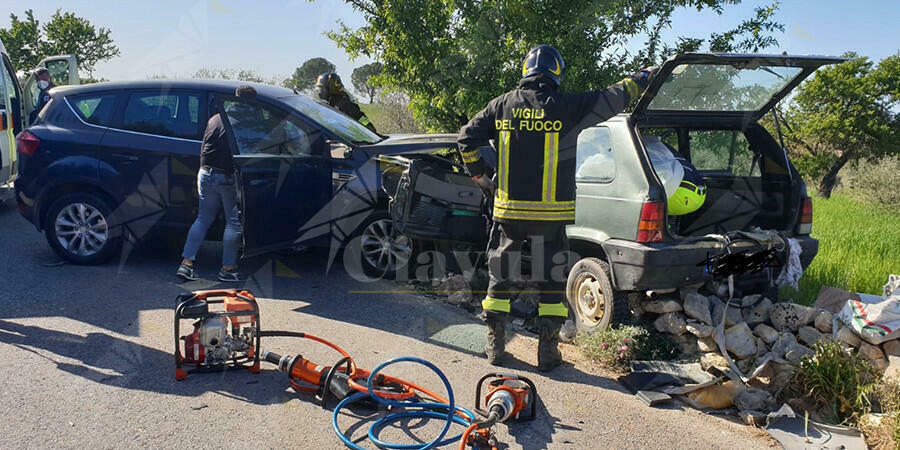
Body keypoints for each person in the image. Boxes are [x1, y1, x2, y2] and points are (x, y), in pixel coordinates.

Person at [458, 45, 656, 371]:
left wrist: (481, 176)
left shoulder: (502, 105)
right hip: (551, 217)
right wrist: (643, 78)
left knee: (500, 277)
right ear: (556, 73)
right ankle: (548, 355)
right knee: (552, 282)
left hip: (510, 214)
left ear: (525, 71)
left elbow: (465, 138)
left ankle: (495, 349)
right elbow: (613, 96)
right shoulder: (568, 105)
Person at [176, 86, 255, 282]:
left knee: (203, 218)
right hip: (227, 176)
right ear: (251, 102)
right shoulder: (243, 122)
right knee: (234, 222)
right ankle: (227, 268)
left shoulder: (216, 118)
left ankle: (186, 264)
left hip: (205, 172)